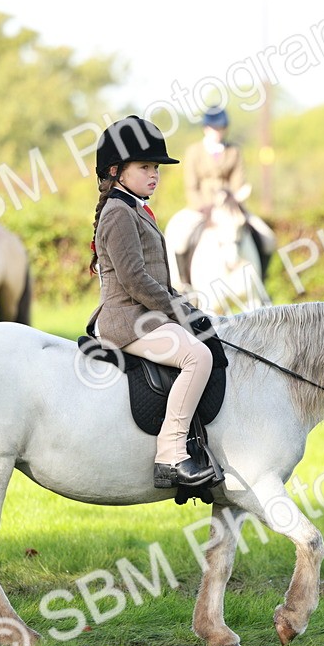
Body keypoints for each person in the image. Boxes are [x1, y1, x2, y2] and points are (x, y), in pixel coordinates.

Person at [86, 115, 218, 489]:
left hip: (145, 315)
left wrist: (186, 308)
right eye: (145, 166)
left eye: (156, 167)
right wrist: (180, 312)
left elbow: (155, 280)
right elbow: (135, 280)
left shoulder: (135, 208)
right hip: (126, 321)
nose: (154, 174)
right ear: (116, 170)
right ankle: (171, 455)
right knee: (197, 356)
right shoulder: (118, 213)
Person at [181, 106, 276, 276]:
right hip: (202, 207)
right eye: (214, 128)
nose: (218, 132)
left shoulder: (234, 151)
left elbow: (238, 182)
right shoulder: (194, 152)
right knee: (179, 238)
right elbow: (191, 187)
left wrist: (234, 204)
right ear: (205, 129)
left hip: (231, 208)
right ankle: (184, 284)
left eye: (221, 128)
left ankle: (261, 280)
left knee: (267, 237)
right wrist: (205, 207)